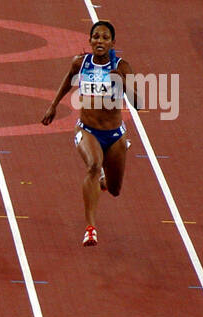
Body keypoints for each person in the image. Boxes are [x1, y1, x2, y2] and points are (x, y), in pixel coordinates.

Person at [41, 21, 134, 246]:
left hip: (114, 134)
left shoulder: (122, 67)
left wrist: (122, 83)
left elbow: (139, 103)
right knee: (93, 165)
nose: (99, 41)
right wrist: (53, 105)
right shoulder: (80, 63)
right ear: (90, 40)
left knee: (114, 190)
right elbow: (67, 80)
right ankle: (90, 228)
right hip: (87, 129)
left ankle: (103, 181)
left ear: (112, 42)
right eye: (96, 37)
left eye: (104, 38)